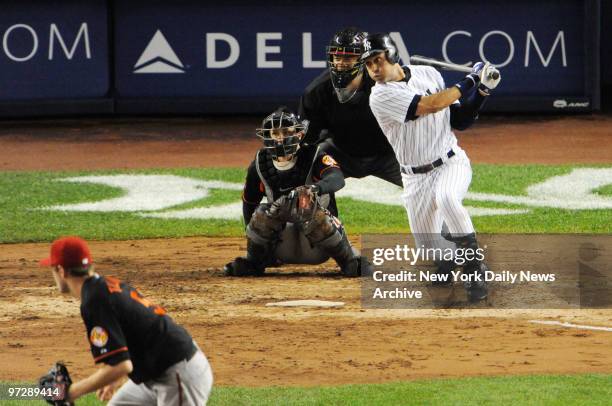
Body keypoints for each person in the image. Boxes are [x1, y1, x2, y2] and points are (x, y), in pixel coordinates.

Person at [362, 33, 502, 301]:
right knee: (431, 252)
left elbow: (459, 119)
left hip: (450, 162)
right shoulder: (380, 96)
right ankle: (452, 250)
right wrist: (471, 80)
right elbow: (429, 105)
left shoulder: (428, 74)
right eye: (368, 64)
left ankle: (475, 270)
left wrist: (483, 90)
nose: (374, 69)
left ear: (391, 56)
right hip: (415, 179)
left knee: (448, 197)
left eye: (377, 60)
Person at [39, 236, 213, 405]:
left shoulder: (94, 300)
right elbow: (135, 330)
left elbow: (121, 366)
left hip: (178, 375)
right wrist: (113, 379)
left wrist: (70, 393)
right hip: (157, 373)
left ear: (61, 271)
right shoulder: (104, 286)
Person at [224, 108, 371, 277]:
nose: (280, 138)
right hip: (281, 245)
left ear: (299, 135)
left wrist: (314, 189)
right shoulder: (259, 163)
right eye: (275, 133)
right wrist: (256, 246)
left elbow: (337, 178)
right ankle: (255, 263)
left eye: (286, 132)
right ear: (267, 136)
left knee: (312, 212)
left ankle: (349, 261)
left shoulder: (314, 155)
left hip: (319, 245)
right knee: (262, 214)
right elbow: (249, 202)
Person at [299, 27, 403, 187]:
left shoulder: (385, 83)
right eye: (337, 57)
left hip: (388, 155)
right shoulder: (317, 91)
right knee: (301, 171)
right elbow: (306, 140)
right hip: (340, 153)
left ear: (363, 60)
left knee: (423, 181)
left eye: (348, 58)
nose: (340, 63)